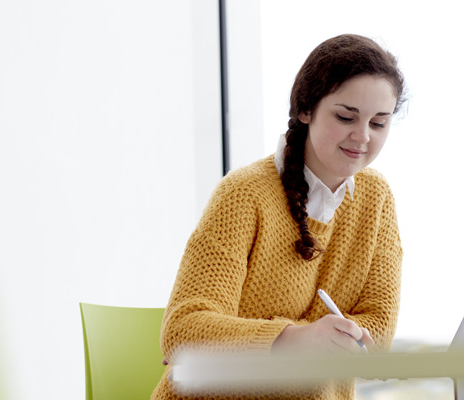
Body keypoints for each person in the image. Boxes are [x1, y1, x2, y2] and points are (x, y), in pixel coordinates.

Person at [151, 33, 406, 400]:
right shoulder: (243, 194)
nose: (362, 136)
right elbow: (184, 333)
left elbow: (377, 330)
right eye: (345, 116)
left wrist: (337, 340)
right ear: (306, 109)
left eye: (379, 123)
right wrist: (295, 338)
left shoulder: (376, 199)